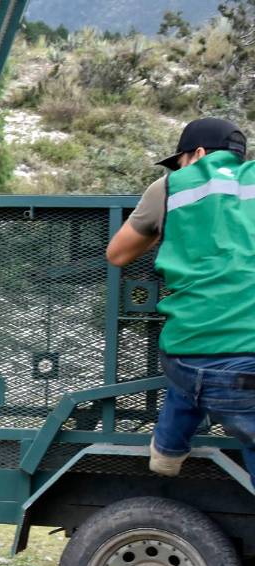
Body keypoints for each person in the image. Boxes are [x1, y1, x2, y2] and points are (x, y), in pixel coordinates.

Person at [105, 117, 255, 484]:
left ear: (198, 153)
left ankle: (168, 449)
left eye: (180, 161)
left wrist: (167, 230)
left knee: (188, 368)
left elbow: (118, 254)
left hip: (192, 354)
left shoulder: (170, 187)